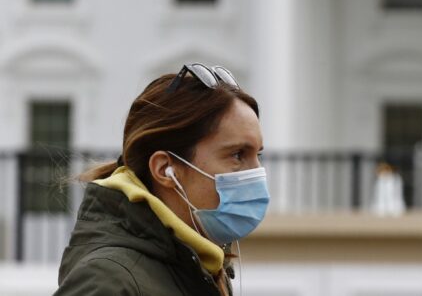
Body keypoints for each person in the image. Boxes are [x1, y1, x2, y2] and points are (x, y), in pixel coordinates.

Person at [53, 63, 269, 295]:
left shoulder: (200, 265)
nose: (256, 173)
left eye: (257, 155)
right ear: (165, 169)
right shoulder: (109, 280)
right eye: (237, 155)